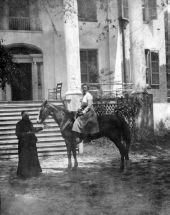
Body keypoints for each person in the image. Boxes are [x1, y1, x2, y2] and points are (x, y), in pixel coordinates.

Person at [16, 111, 44, 179]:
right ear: (22, 115)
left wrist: (40, 128)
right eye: (26, 115)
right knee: (24, 158)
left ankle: (34, 172)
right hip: (24, 145)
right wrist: (26, 134)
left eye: (28, 115)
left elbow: (33, 130)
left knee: (33, 158)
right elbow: (18, 134)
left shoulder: (30, 123)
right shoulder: (19, 124)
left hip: (31, 144)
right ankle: (24, 173)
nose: (27, 116)